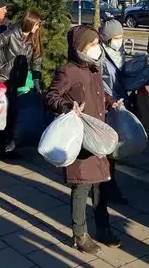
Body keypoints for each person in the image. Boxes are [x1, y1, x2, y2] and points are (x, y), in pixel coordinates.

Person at [46, 26, 121, 254]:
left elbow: (99, 93)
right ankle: (80, 234)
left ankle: (103, 228)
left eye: (98, 43)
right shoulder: (69, 71)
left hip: (98, 135)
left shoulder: (94, 68)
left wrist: (110, 101)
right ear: (80, 47)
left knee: (102, 184)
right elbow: (51, 96)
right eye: (92, 44)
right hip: (80, 138)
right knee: (82, 185)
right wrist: (67, 106)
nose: (97, 48)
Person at [0, 10, 43, 161]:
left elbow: (37, 60)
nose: (38, 27)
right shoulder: (8, 35)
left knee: (11, 115)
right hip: (1, 81)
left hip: (16, 83)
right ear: (29, 23)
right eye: (36, 24)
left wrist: (36, 80)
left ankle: (3, 147)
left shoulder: (32, 38)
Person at [99, 19, 128, 205]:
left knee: (113, 147)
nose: (119, 40)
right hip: (106, 105)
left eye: (121, 37)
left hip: (119, 103)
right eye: (116, 37)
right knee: (108, 148)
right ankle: (107, 185)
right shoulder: (100, 55)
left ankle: (108, 182)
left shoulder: (119, 52)